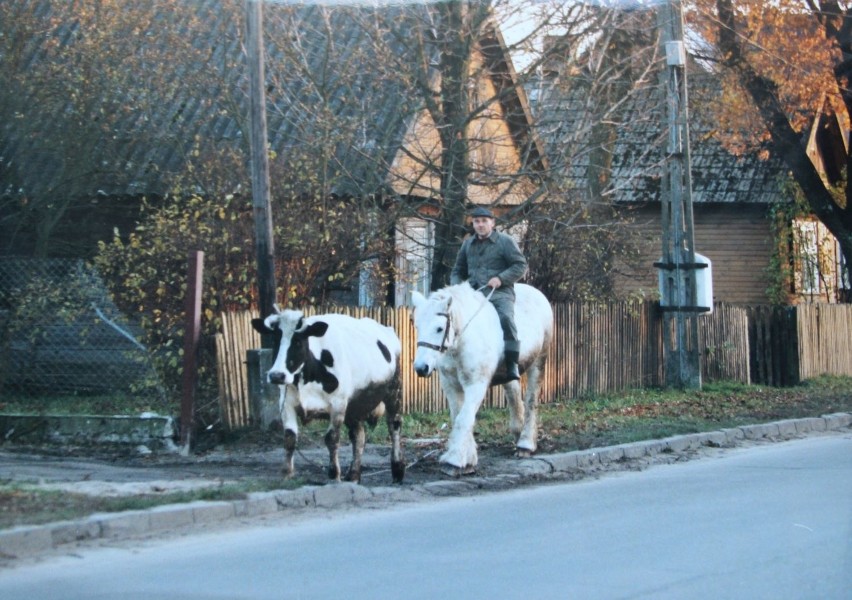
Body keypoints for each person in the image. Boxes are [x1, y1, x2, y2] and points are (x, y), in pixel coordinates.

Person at [450, 205, 528, 380]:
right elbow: (457, 270)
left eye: (484, 221)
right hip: (473, 293)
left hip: (499, 293)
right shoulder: (467, 244)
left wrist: (500, 278)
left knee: (506, 318)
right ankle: (455, 362)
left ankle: (512, 363)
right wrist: (457, 288)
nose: (480, 225)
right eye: (476, 221)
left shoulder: (505, 241)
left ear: (492, 223)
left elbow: (520, 266)